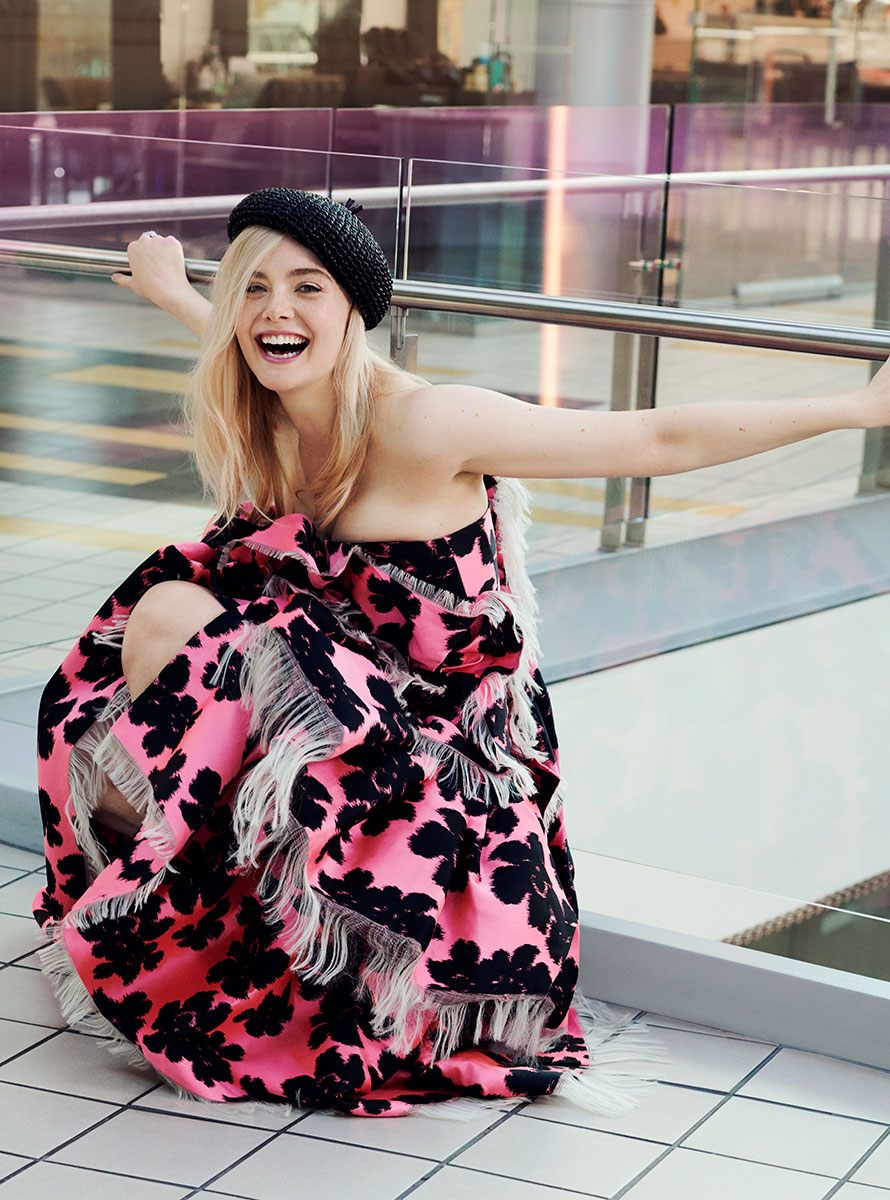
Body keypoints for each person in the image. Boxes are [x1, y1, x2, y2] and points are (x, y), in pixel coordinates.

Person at [32, 187, 890, 1118]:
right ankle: (244, 910)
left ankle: (290, 944)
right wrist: (172, 289)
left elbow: (656, 435)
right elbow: (244, 336)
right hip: (333, 701)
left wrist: (860, 407)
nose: (277, 311)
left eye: (309, 287)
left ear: (354, 309)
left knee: (187, 632)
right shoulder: (269, 399)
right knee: (149, 643)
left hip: (434, 752)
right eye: (256, 289)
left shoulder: (427, 421)